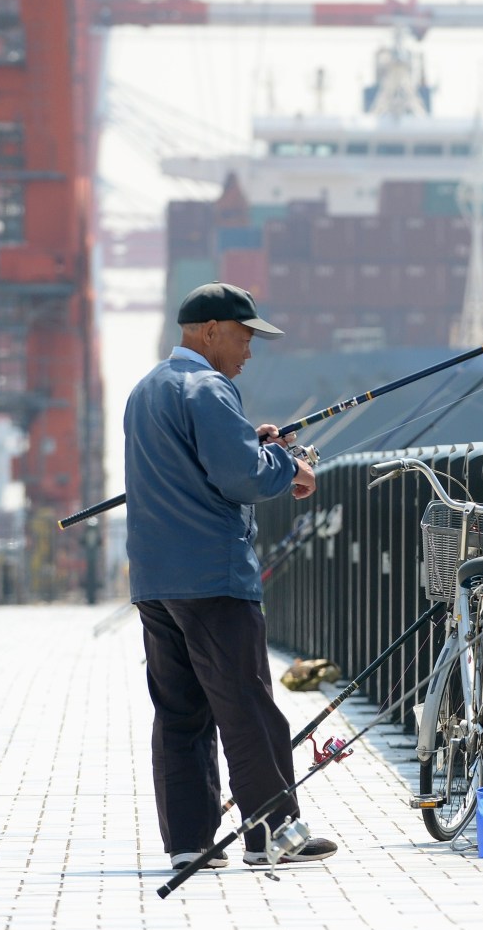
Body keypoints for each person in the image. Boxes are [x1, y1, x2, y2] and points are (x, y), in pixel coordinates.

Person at [124, 282, 337, 872]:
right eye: (244, 337)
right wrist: (291, 466)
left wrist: (255, 445)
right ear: (211, 330)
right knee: (246, 705)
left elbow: (200, 463)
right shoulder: (209, 387)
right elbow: (241, 478)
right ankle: (274, 832)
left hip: (155, 579)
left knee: (180, 712)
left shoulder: (146, 390)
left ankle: (189, 842)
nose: (248, 351)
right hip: (213, 577)